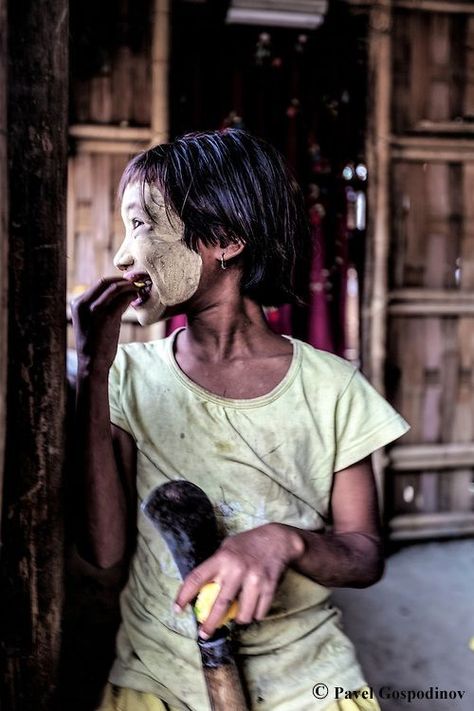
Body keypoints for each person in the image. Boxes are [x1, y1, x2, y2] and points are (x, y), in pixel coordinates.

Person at [72, 129, 409, 711]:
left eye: (143, 225)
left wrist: (284, 543)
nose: (124, 255)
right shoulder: (126, 375)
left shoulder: (332, 388)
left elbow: (364, 555)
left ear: (225, 239)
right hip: (159, 676)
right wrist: (94, 366)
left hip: (304, 678)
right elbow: (103, 551)